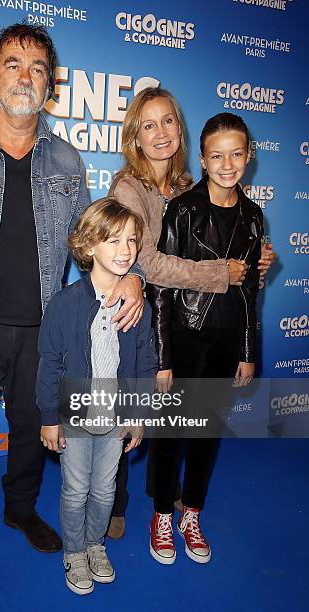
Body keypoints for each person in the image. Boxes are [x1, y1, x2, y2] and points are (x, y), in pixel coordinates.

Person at [0, 24, 144, 590]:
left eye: (37, 67)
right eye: (12, 64)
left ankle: (20, 509)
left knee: (35, 428)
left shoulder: (66, 161)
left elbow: (95, 242)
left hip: (42, 329)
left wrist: (129, 276)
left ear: (50, 86)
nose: (25, 75)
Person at [107, 87, 275, 539]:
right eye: (148, 124)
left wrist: (253, 260)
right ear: (135, 137)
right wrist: (223, 272)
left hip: (181, 315)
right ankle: (115, 502)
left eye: (167, 122)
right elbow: (148, 262)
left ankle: (162, 496)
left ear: (179, 131)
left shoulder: (185, 186)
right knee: (133, 410)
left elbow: (228, 249)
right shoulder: (129, 187)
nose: (160, 133)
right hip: (136, 310)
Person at [147, 112, 263, 565]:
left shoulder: (254, 217)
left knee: (207, 433)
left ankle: (190, 514)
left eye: (236, 154)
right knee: (171, 432)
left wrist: (248, 351)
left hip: (227, 341)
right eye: (217, 155)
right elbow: (161, 287)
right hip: (184, 336)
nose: (227, 163)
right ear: (202, 159)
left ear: (248, 157)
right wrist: (163, 358)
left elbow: (251, 289)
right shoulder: (183, 209)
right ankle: (161, 515)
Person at [37, 197, 158, 595]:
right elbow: (49, 366)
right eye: (114, 241)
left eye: (132, 240)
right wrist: (49, 417)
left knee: (105, 489)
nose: (126, 250)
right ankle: (73, 551)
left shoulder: (138, 305)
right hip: (73, 415)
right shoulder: (64, 305)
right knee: (76, 489)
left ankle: (95, 544)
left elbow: (144, 363)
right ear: (89, 246)